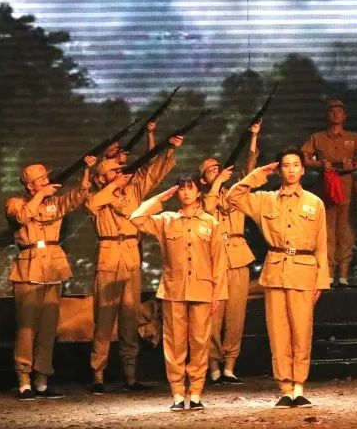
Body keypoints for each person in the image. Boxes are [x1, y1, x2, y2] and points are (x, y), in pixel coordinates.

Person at [226, 149, 329, 408]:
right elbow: (233, 196)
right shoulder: (265, 200)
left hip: (304, 272)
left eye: (296, 165)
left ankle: (299, 386)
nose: (291, 169)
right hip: (275, 272)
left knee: (302, 331)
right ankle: (285, 388)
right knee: (278, 332)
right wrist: (258, 174)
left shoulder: (315, 203)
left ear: (303, 170)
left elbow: (322, 245)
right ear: (279, 170)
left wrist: (321, 281)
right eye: (285, 165)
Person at [85, 133, 180, 393]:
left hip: (130, 254)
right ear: (101, 178)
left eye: (120, 171)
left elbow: (154, 173)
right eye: (114, 171)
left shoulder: (133, 191)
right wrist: (112, 187)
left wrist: (169, 150)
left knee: (130, 317)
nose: (120, 174)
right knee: (104, 319)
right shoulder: (96, 195)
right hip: (108, 254)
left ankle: (130, 376)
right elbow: (92, 205)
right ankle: (98, 375)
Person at [130, 175, 227, 411]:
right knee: (174, 343)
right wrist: (160, 199)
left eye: (190, 188)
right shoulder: (166, 220)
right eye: (181, 188)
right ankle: (177, 393)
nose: (185, 192)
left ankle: (196, 393)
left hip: (203, 290)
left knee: (200, 342)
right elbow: (136, 218)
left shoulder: (211, 222)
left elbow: (219, 262)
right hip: (173, 290)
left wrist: (217, 294)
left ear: (198, 192)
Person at [6, 157, 95, 400]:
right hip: (29, 268)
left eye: (47, 177)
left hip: (53, 266)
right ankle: (24, 380)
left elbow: (77, 196)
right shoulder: (15, 203)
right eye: (42, 179)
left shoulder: (54, 203)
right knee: (27, 327)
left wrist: (87, 170)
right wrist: (40, 195)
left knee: (48, 328)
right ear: (30, 185)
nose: (47, 181)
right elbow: (21, 217)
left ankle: (42, 381)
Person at [200, 120, 261, 385]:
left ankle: (230, 367)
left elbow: (250, 171)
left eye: (218, 167)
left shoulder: (235, 193)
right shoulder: (201, 198)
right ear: (203, 179)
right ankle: (213, 367)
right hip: (214, 261)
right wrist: (216, 185)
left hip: (238, 256)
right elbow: (208, 210)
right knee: (213, 316)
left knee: (236, 315)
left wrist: (253, 138)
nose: (216, 171)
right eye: (210, 170)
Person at [300, 99, 357, 287]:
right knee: (326, 229)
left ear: (345, 115)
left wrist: (354, 165)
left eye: (339, 111)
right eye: (332, 111)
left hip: (347, 184)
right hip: (325, 185)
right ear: (327, 115)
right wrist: (320, 164)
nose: (335, 114)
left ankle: (343, 275)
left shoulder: (353, 137)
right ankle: (328, 273)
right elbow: (304, 158)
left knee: (346, 229)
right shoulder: (317, 137)